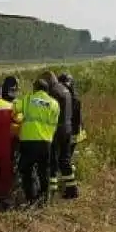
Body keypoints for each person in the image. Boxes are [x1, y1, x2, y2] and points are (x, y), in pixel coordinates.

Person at [13, 78, 59, 205]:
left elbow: (14, 109)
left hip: (29, 141)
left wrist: (19, 118)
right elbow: (54, 123)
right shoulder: (54, 104)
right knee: (44, 171)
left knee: (26, 170)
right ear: (47, 90)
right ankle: (44, 199)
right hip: (46, 141)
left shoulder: (28, 99)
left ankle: (31, 198)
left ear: (35, 89)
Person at [39, 71, 74, 201]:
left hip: (57, 130)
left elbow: (48, 110)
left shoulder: (53, 92)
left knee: (52, 160)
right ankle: (72, 189)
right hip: (67, 128)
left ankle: (51, 191)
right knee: (65, 160)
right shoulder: (64, 89)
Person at [57, 73, 82, 199]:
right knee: (66, 160)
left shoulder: (70, 98)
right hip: (72, 133)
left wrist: (73, 135)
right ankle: (69, 185)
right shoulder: (72, 97)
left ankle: (71, 188)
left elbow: (76, 120)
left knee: (64, 160)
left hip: (70, 133)